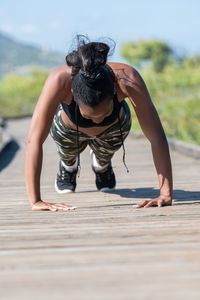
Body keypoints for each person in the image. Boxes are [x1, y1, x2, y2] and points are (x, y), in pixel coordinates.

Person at [25, 35, 173, 212]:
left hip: (113, 129)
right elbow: (33, 140)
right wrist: (36, 201)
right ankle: (68, 164)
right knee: (68, 150)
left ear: (114, 92)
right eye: (89, 115)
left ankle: (101, 164)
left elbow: (156, 136)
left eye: (104, 113)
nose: (97, 119)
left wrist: (165, 194)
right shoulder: (60, 81)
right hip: (69, 129)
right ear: (73, 92)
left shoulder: (127, 79)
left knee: (105, 152)